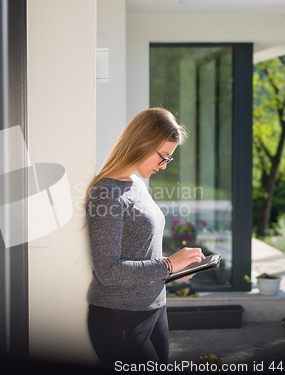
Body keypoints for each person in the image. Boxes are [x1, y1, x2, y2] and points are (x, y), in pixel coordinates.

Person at [85, 107, 205, 368]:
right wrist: (168, 265)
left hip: (154, 309)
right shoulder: (107, 192)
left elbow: (140, 253)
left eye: (169, 160)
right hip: (121, 318)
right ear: (142, 143)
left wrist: (173, 271)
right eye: (163, 157)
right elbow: (108, 271)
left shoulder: (136, 183)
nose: (164, 165)